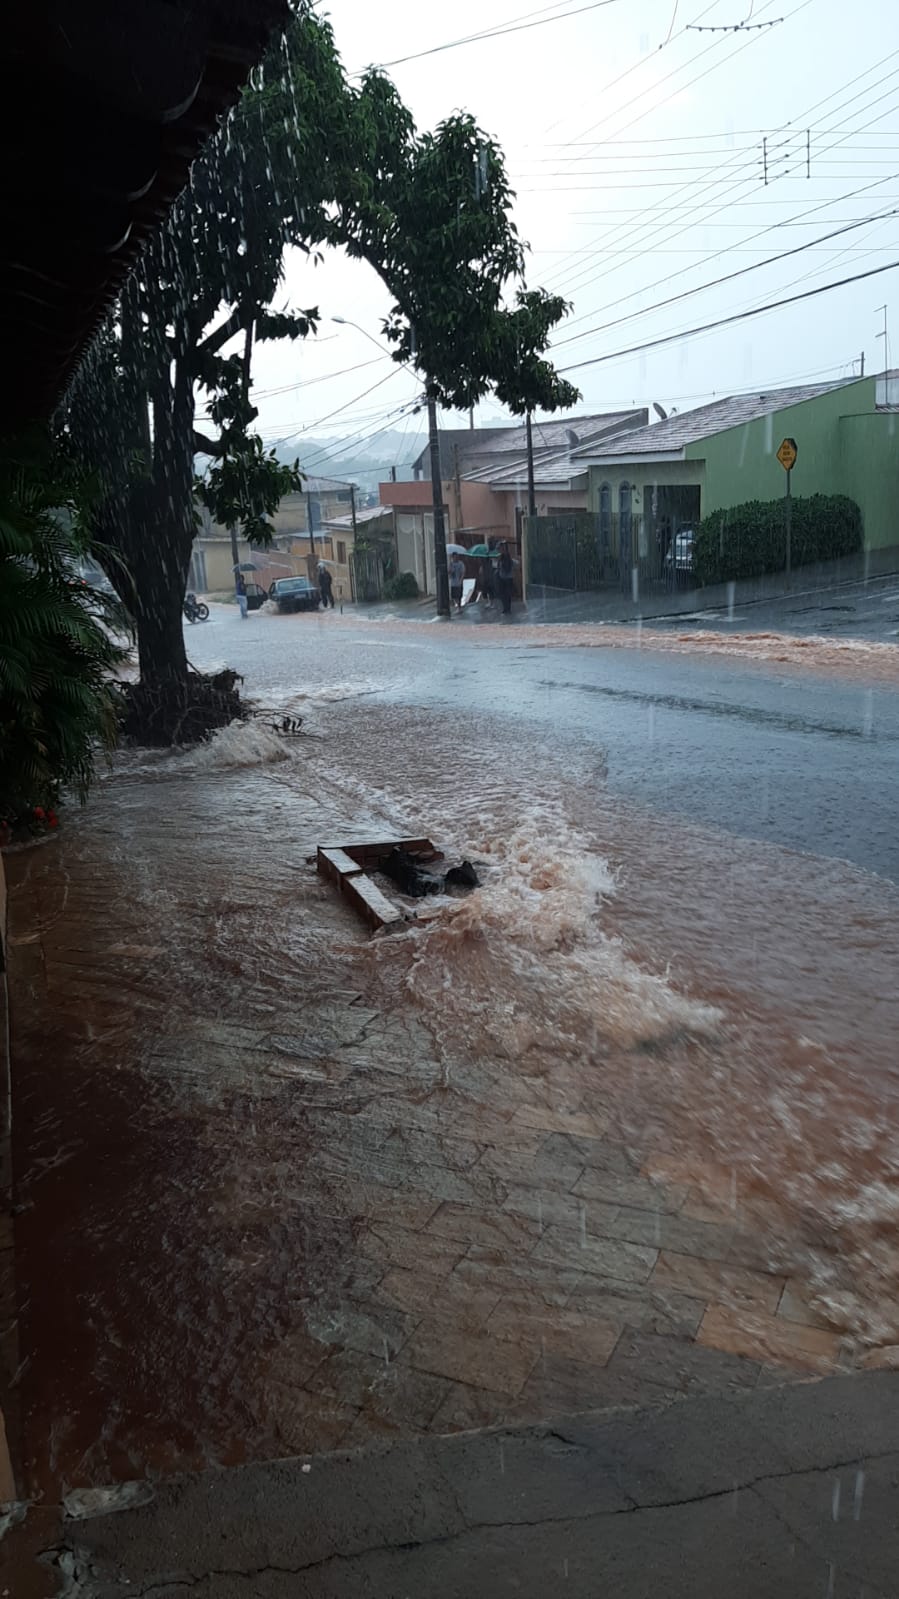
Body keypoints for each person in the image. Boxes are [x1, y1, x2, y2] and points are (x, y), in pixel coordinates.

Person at [496, 541, 514, 616]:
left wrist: (501, 566)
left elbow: (506, 567)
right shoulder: (502, 556)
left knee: (506, 594)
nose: (499, 550)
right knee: (504, 594)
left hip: (506, 578)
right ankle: (506, 609)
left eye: (499, 548)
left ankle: (507, 609)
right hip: (503, 577)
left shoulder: (506, 556)